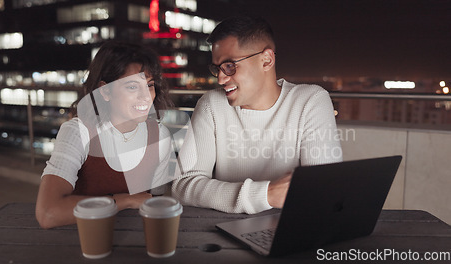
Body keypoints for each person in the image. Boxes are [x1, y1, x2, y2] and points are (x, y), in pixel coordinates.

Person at [171, 16, 343, 214]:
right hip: (217, 227)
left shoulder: (311, 100)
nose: (220, 78)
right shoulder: (211, 105)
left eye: (229, 66)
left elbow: (323, 189)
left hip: (290, 227)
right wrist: (265, 194)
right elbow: (182, 186)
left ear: (266, 60)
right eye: (217, 68)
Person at [36, 41, 175, 229]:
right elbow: (48, 213)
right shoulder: (79, 132)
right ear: (105, 90)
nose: (145, 96)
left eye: (149, 85)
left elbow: (152, 202)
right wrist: (123, 201)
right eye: (132, 87)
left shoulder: (160, 136)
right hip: (83, 240)